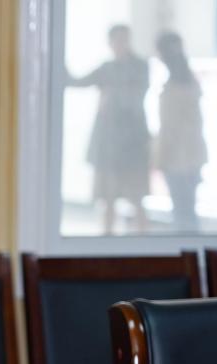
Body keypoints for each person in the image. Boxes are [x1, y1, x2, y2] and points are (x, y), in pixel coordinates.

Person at [69, 25, 151, 233]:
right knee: (108, 197)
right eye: (116, 40)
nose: (120, 44)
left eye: (123, 39)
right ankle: (107, 238)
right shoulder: (107, 68)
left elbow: (133, 98)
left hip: (132, 143)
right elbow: (78, 82)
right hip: (109, 143)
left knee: (136, 197)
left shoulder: (140, 66)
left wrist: (111, 92)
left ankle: (143, 241)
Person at [155, 31, 208, 231]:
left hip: (178, 156)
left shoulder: (175, 87)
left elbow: (170, 129)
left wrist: (161, 157)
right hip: (192, 154)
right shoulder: (190, 82)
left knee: (182, 213)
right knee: (187, 211)